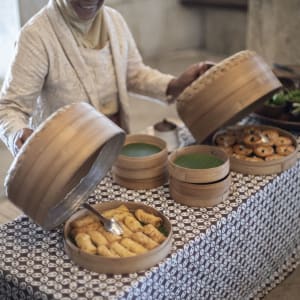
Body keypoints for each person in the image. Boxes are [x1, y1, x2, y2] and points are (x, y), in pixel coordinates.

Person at [0, 0, 212, 156]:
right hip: (66, 159)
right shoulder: (36, 36)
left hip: (115, 144)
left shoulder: (114, 21)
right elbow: (9, 108)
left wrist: (175, 85)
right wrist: (18, 133)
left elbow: (134, 73)